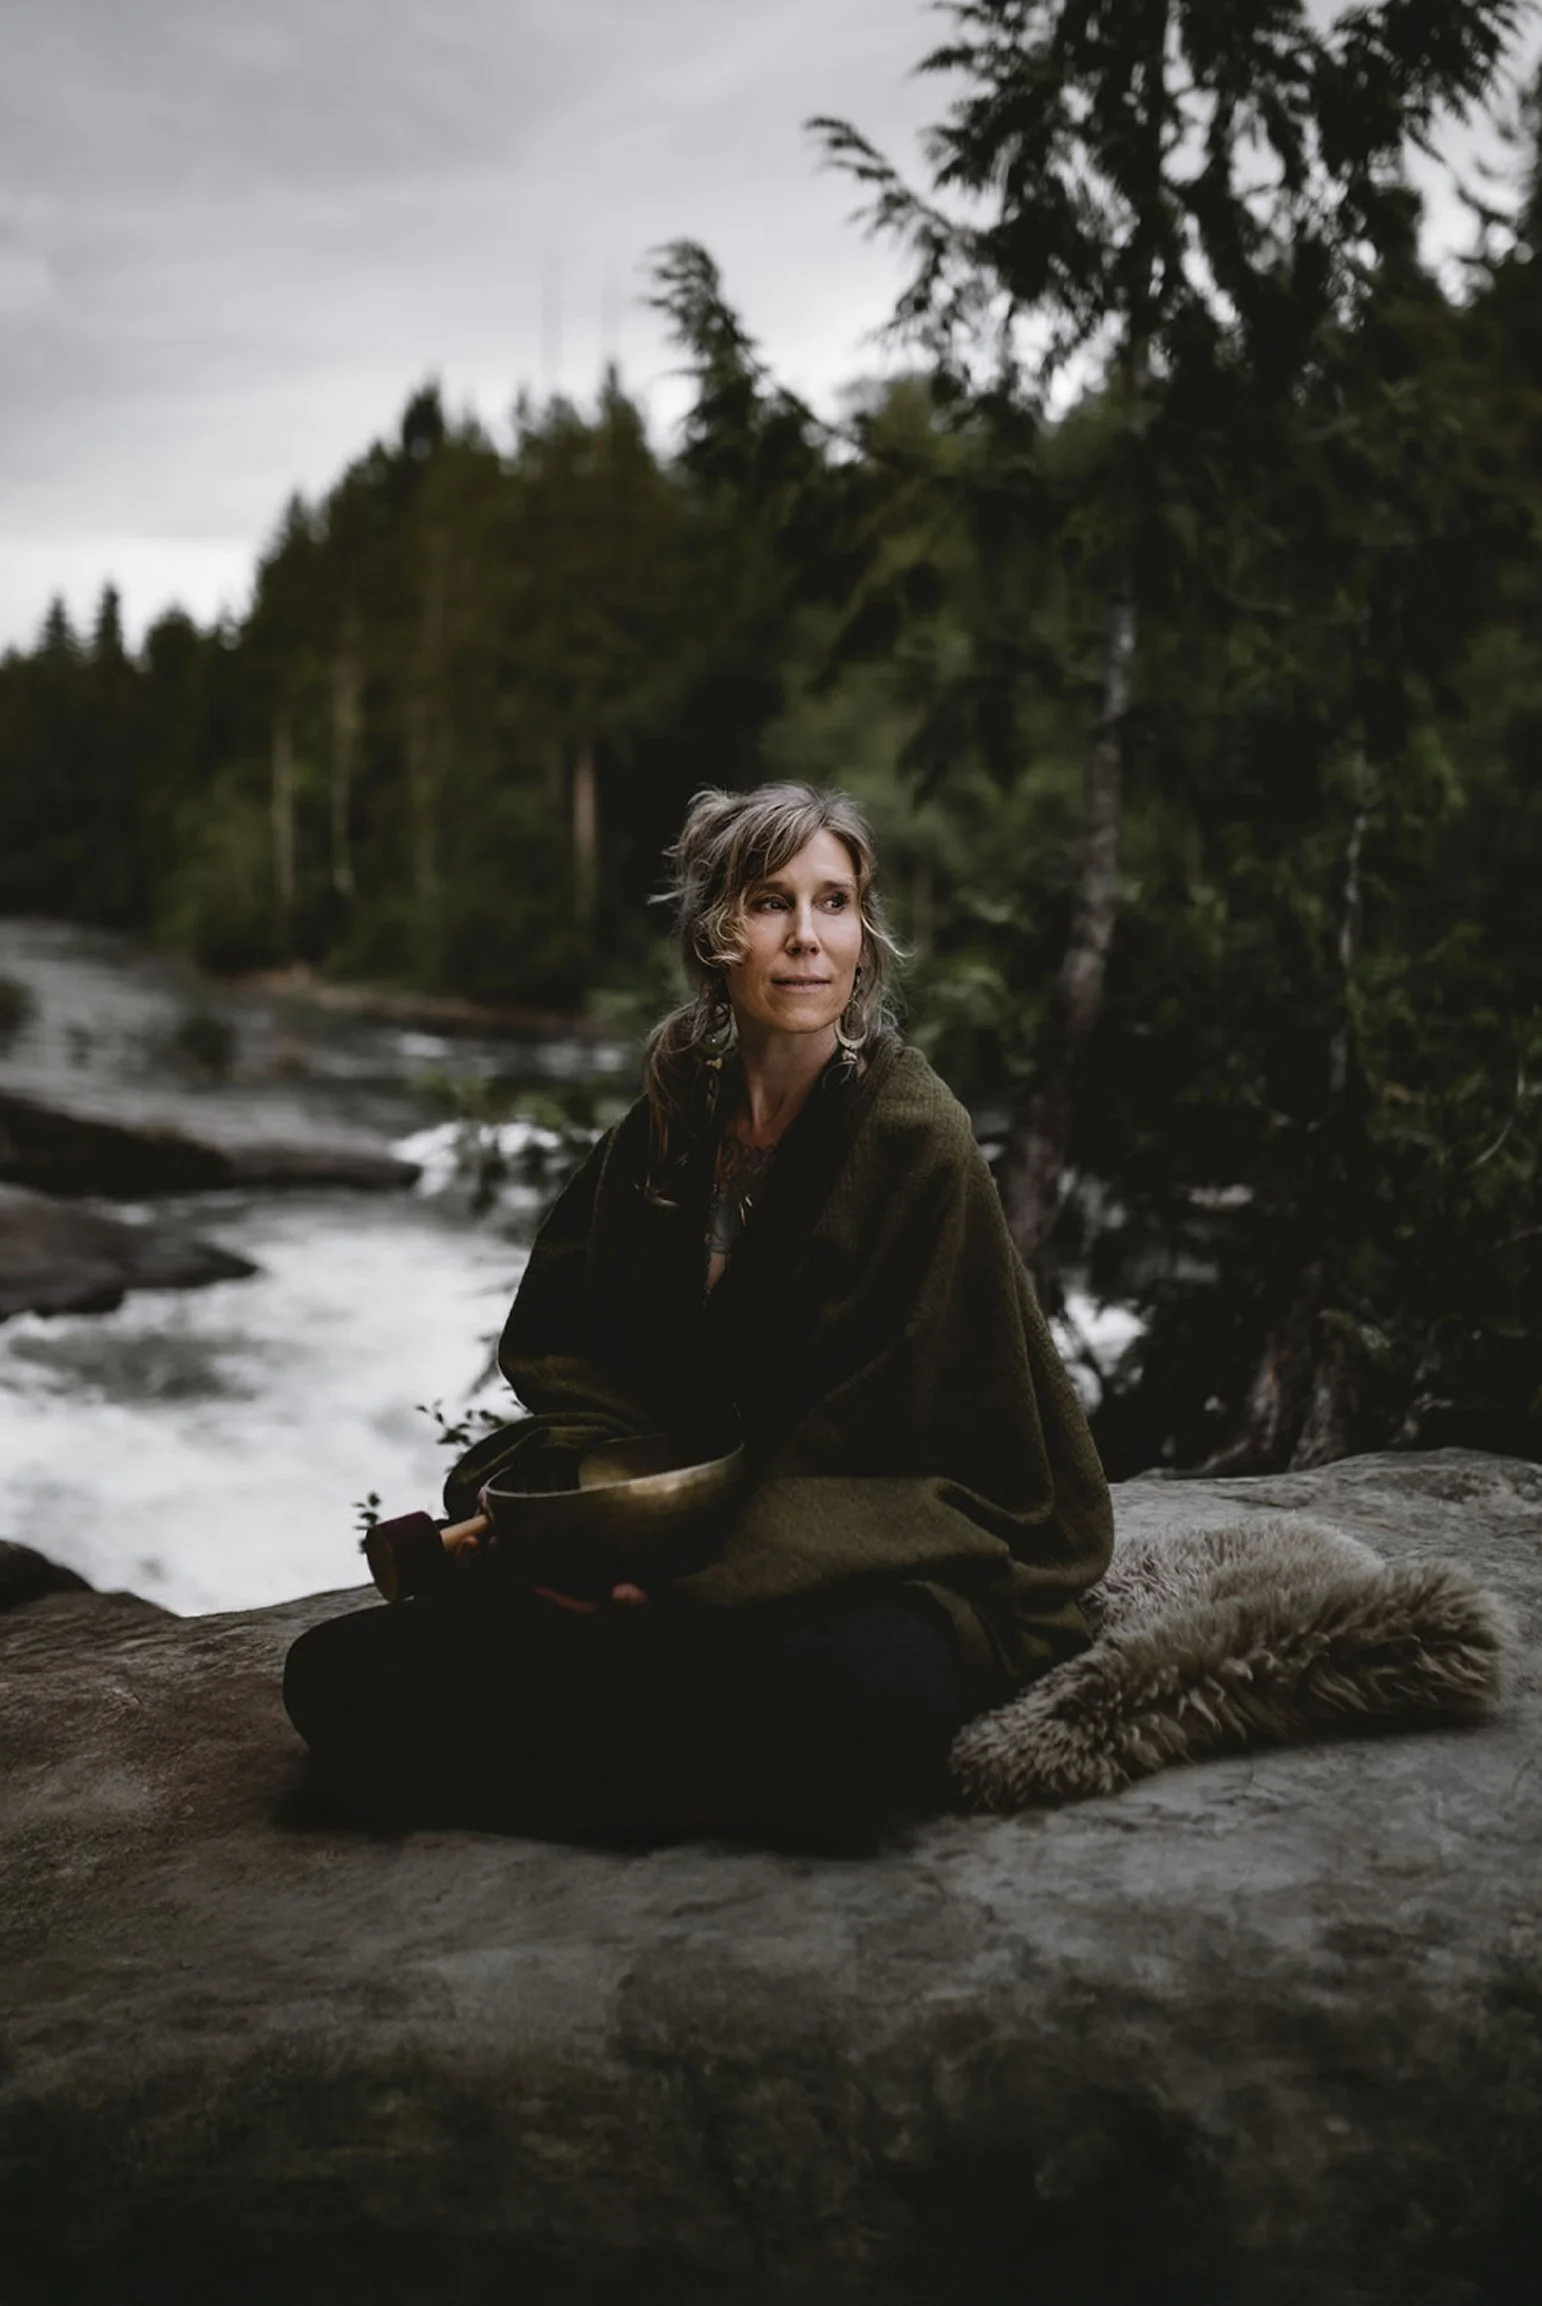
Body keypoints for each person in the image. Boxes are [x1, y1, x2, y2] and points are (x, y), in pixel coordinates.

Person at [283, 783, 1113, 1846]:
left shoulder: (916, 1135)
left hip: (882, 1542)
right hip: (684, 1523)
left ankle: (606, 1740)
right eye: (772, 903)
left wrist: (694, 1574)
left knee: (867, 1697)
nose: (807, 939)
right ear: (718, 933)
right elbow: (574, 1347)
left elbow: (917, 1429)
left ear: (865, 933)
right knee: (336, 1672)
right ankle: (673, 1753)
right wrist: (582, 1514)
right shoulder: (673, 1119)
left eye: (835, 902)